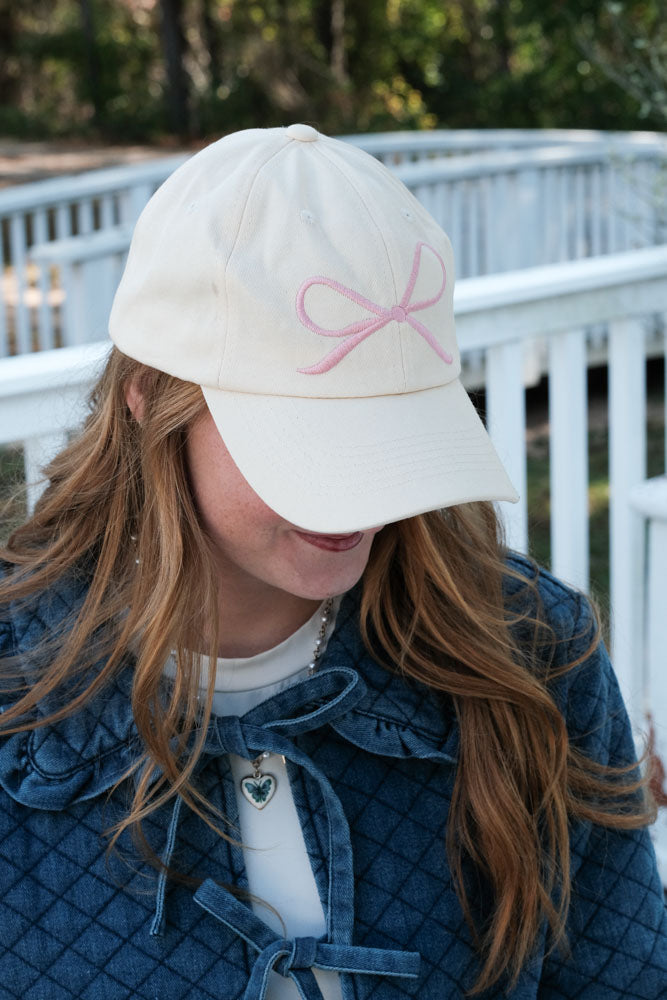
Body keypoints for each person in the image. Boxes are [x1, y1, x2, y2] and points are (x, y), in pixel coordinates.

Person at [0, 123, 665, 1000]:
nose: (366, 499)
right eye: (311, 440)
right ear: (149, 403)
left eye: (387, 431)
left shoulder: (530, 652)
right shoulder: (20, 684)